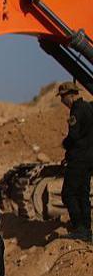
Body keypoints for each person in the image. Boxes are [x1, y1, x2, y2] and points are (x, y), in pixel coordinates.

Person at [58, 82, 92, 242]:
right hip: (88, 158)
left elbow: (74, 136)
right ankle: (86, 228)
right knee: (82, 193)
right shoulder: (88, 107)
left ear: (70, 95)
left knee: (69, 193)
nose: (61, 102)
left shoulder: (77, 111)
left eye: (62, 97)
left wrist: (66, 145)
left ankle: (79, 227)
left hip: (79, 159)